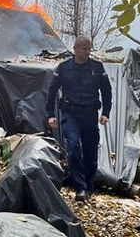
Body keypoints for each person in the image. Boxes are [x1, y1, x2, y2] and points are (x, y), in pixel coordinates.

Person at [45, 36, 112, 201]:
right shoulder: (63, 68)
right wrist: (50, 115)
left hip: (90, 115)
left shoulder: (97, 67)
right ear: (75, 48)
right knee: (73, 146)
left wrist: (106, 112)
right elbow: (52, 91)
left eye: (89, 48)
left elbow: (107, 91)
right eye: (83, 48)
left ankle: (88, 187)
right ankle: (80, 187)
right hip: (71, 114)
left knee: (90, 151)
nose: (87, 52)